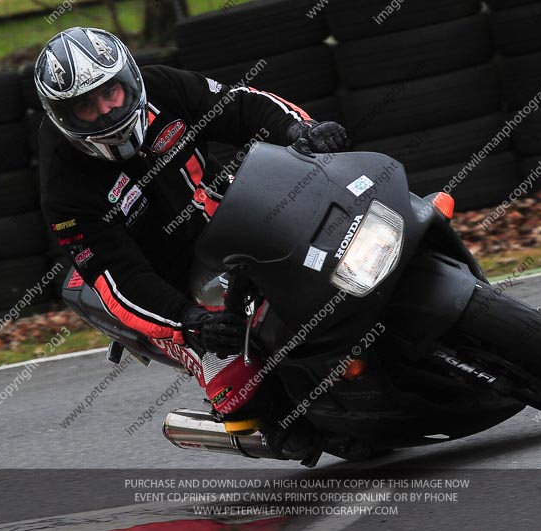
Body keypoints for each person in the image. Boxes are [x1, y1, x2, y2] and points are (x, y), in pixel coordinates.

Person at [35, 27, 348, 426]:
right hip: (174, 282)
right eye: (86, 107)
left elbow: (239, 107)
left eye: (110, 92)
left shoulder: (162, 86)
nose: (106, 111)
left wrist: (300, 131)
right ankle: (279, 424)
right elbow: (120, 278)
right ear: (64, 116)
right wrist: (188, 322)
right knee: (239, 389)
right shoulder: (64, 188)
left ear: (128, 79)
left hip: (231, 222)